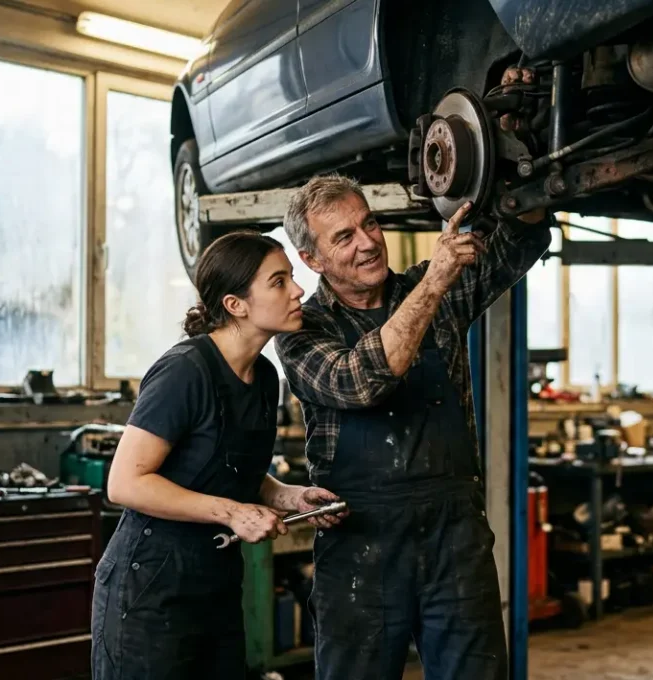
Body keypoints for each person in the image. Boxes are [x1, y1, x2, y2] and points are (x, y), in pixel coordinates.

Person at [275, 173, 553, 679]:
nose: (367, 243)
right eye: (344, 237)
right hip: (361, 543)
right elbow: (359, 382)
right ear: (311, 260)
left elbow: (520, 241)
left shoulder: (435, 288)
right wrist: (433, 283)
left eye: (370, 223)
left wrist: (521, 172)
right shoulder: (301, 331)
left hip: (455, 538)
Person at [91, 230, 346, 679]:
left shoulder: (264, 376)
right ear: (235, 304)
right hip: (150, 589)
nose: (298, 291)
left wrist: (290, 497)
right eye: (279, 281)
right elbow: (125, 483)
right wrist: (232, 513)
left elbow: (232, 469)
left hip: (216, 586)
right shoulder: (185, 371)